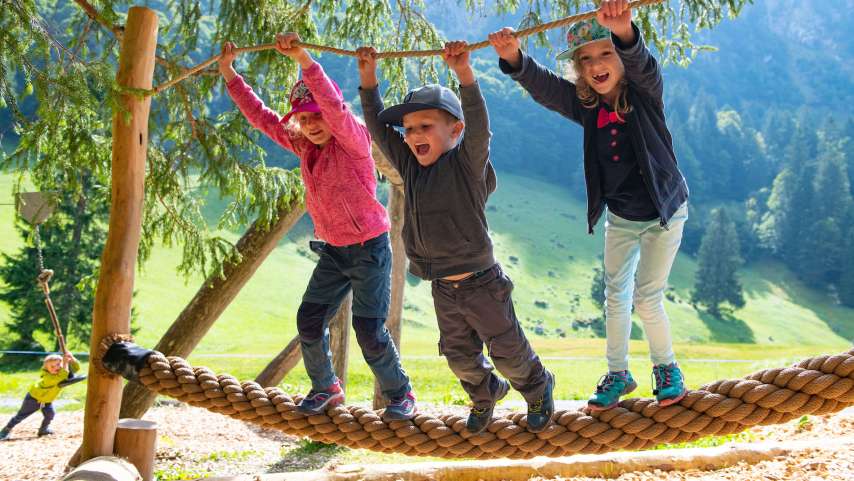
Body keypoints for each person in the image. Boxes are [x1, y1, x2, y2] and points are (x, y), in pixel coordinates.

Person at [489, 0, 690, 410]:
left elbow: (644, 66)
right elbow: (547, 89)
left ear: (620, 59)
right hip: (621, 217)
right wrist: (514, 59)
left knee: (647, 296)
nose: (596, 64)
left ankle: (667, 367)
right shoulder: (588, 106)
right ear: (579, 69)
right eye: (585, 59)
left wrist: (625, 33)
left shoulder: (645, 96)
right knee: (614, 297)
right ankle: (618, 373)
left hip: (663, 214)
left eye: (605, 53)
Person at [357, 40, 554, 434]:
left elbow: (480, 125)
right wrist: (368, 79)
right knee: (458, 356)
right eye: (409, 129)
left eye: (425, 126)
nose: (413, 135)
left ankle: (536, 386)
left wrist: (464, 73)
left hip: (482, 283)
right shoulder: (411, 169)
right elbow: (379, 128)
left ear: (455, 129)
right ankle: (485, 395)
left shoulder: (466, 164)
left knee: (508, 351)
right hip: (443, 288)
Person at [219, 33, 414, 420]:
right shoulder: (305, 146)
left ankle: (400, 394)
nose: (310, 125)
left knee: (370, 332)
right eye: (303, 119)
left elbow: (335, 108)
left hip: (370, 249)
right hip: (335, 250)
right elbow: (262, 118)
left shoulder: (353, 140)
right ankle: (326, 386)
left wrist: (305, 60)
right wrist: (229, 73)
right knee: (309, 320)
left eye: (315, 116)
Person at [1, 352, 80, 440]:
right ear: (46, 368)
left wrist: (71, 359)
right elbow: (61, 376)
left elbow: (75, 369)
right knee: (21, 416)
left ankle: (43, 429)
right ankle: (5, 430)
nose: (56, 367)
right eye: (52, 366)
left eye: (58, 364)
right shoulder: (48, 377)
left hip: (46, 400)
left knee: (50, 414)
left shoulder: (62, 372)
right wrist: (65, 363)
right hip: (34, 399)